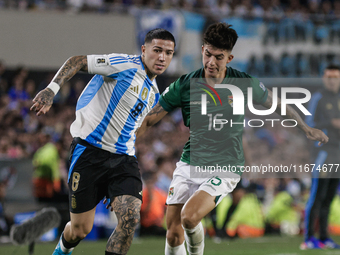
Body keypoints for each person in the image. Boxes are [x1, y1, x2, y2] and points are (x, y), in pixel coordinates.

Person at [136, 22, 328, 255]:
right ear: (202, 51)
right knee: (173, 230)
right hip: (190, 162)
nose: (211, 62)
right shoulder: (185, 85)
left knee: (189, 217)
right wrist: (122, 148)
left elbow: (277, 104)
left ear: (229, 58)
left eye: (219, 57)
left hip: (225, 164)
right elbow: (148, 120)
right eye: (207, 54)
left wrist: (306, 128)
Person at [30, 28, 175, 255]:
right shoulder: (124, 64)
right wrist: (51, 89)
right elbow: (76, 61)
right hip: (89, 153)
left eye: (168, 52)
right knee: (80, 229)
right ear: (144, 50)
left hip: (123, 159)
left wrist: (113, 186)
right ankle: (61, 251)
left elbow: (130, 129)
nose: (162, 57)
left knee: (129, 218)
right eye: (157, 50)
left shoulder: (154, 92)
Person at [301, 64, 340, 250]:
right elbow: (309, 123)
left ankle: (324, 237)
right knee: (317, 195)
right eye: (329, 77)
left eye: (335, 77)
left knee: (329, 198)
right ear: (324, 78)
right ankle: (308, 238)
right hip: (324, 153)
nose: (332, 80)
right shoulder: (318, 98)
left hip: (338, 153)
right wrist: (330, 123)